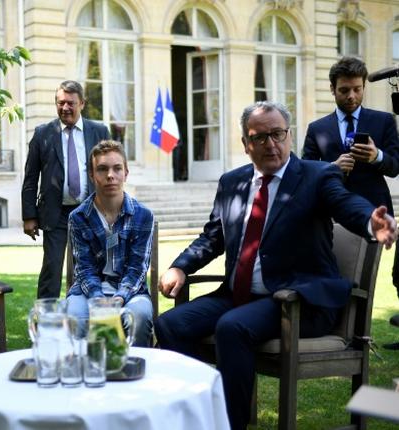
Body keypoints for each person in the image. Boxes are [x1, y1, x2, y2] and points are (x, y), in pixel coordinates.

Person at [154, 101, 397, 430]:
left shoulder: (317, 175)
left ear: (290, 135)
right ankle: (196, 416)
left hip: (297, 302)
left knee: (232, 327)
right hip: (239, 295)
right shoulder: (231, 182)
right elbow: (212, 238)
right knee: (170, 325)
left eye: (277, 134)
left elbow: (345, 205)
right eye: (259, 137)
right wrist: (181, 267)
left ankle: (230, 425)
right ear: (246, 144)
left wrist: (370, 221)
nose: (270, 143)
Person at [301, 56, 399, 349]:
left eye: (357, 89)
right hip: (330, 214)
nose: (352, 95)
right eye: (345, 90)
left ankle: (361, 338)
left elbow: (396, 165)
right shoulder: (317, 127)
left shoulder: (383, 121)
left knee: (368, 279)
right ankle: (338, 331)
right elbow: (305, 171)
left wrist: (377, 156)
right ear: (332, 89)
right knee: (337, 271)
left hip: (373, 210)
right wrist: (331, 166)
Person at [22, 80, 111, 299]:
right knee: (52, 269)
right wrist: (29, 216)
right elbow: (31, 178)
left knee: (94, 268)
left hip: (91, 211)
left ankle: (91, 315)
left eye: (71, 103)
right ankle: (46, 324)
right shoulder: (43, 133)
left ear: (82, 103)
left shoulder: (99, 131)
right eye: (60, 103)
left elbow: (111, 171)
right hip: (56, 213)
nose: (65, 108)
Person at [67, 140, 154, 346]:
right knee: (74, 317)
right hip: (87, 291)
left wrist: (119, 298)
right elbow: (84, 268)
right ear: (91, 175)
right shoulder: (78, 217)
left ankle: (135, 371)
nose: (110, 176)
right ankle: (81, 372)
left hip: (131, 292)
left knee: (139, 317)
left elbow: (137, 269)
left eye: (117, 168)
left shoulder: (143, 216)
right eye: (102, 169)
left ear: (126, 173)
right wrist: (99, 300)